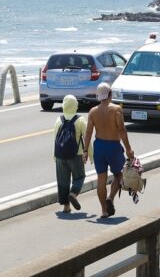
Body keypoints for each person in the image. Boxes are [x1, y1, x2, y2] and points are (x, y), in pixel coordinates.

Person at [83, 83, 134, 218]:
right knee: (119, 174)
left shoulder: (93, 111)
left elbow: (88, 132)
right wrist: (128, 149)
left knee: (101, 178)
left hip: (99, 147)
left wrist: (85, 151)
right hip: (113, 146)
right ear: (110, 94)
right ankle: (110, 198)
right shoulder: (116, 109)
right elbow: (122, 130)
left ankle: (104, 211)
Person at [53, 95, 87, 214]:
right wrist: (89, 154)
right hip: (76, 155)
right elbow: (87, 138)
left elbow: (55, 138)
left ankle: (66, 207)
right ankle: (73, 193)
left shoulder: (59, 119)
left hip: (60, 155)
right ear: (75, 105)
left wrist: (54, 156)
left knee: (63, 181)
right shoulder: (80, 120)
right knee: (80, 177)